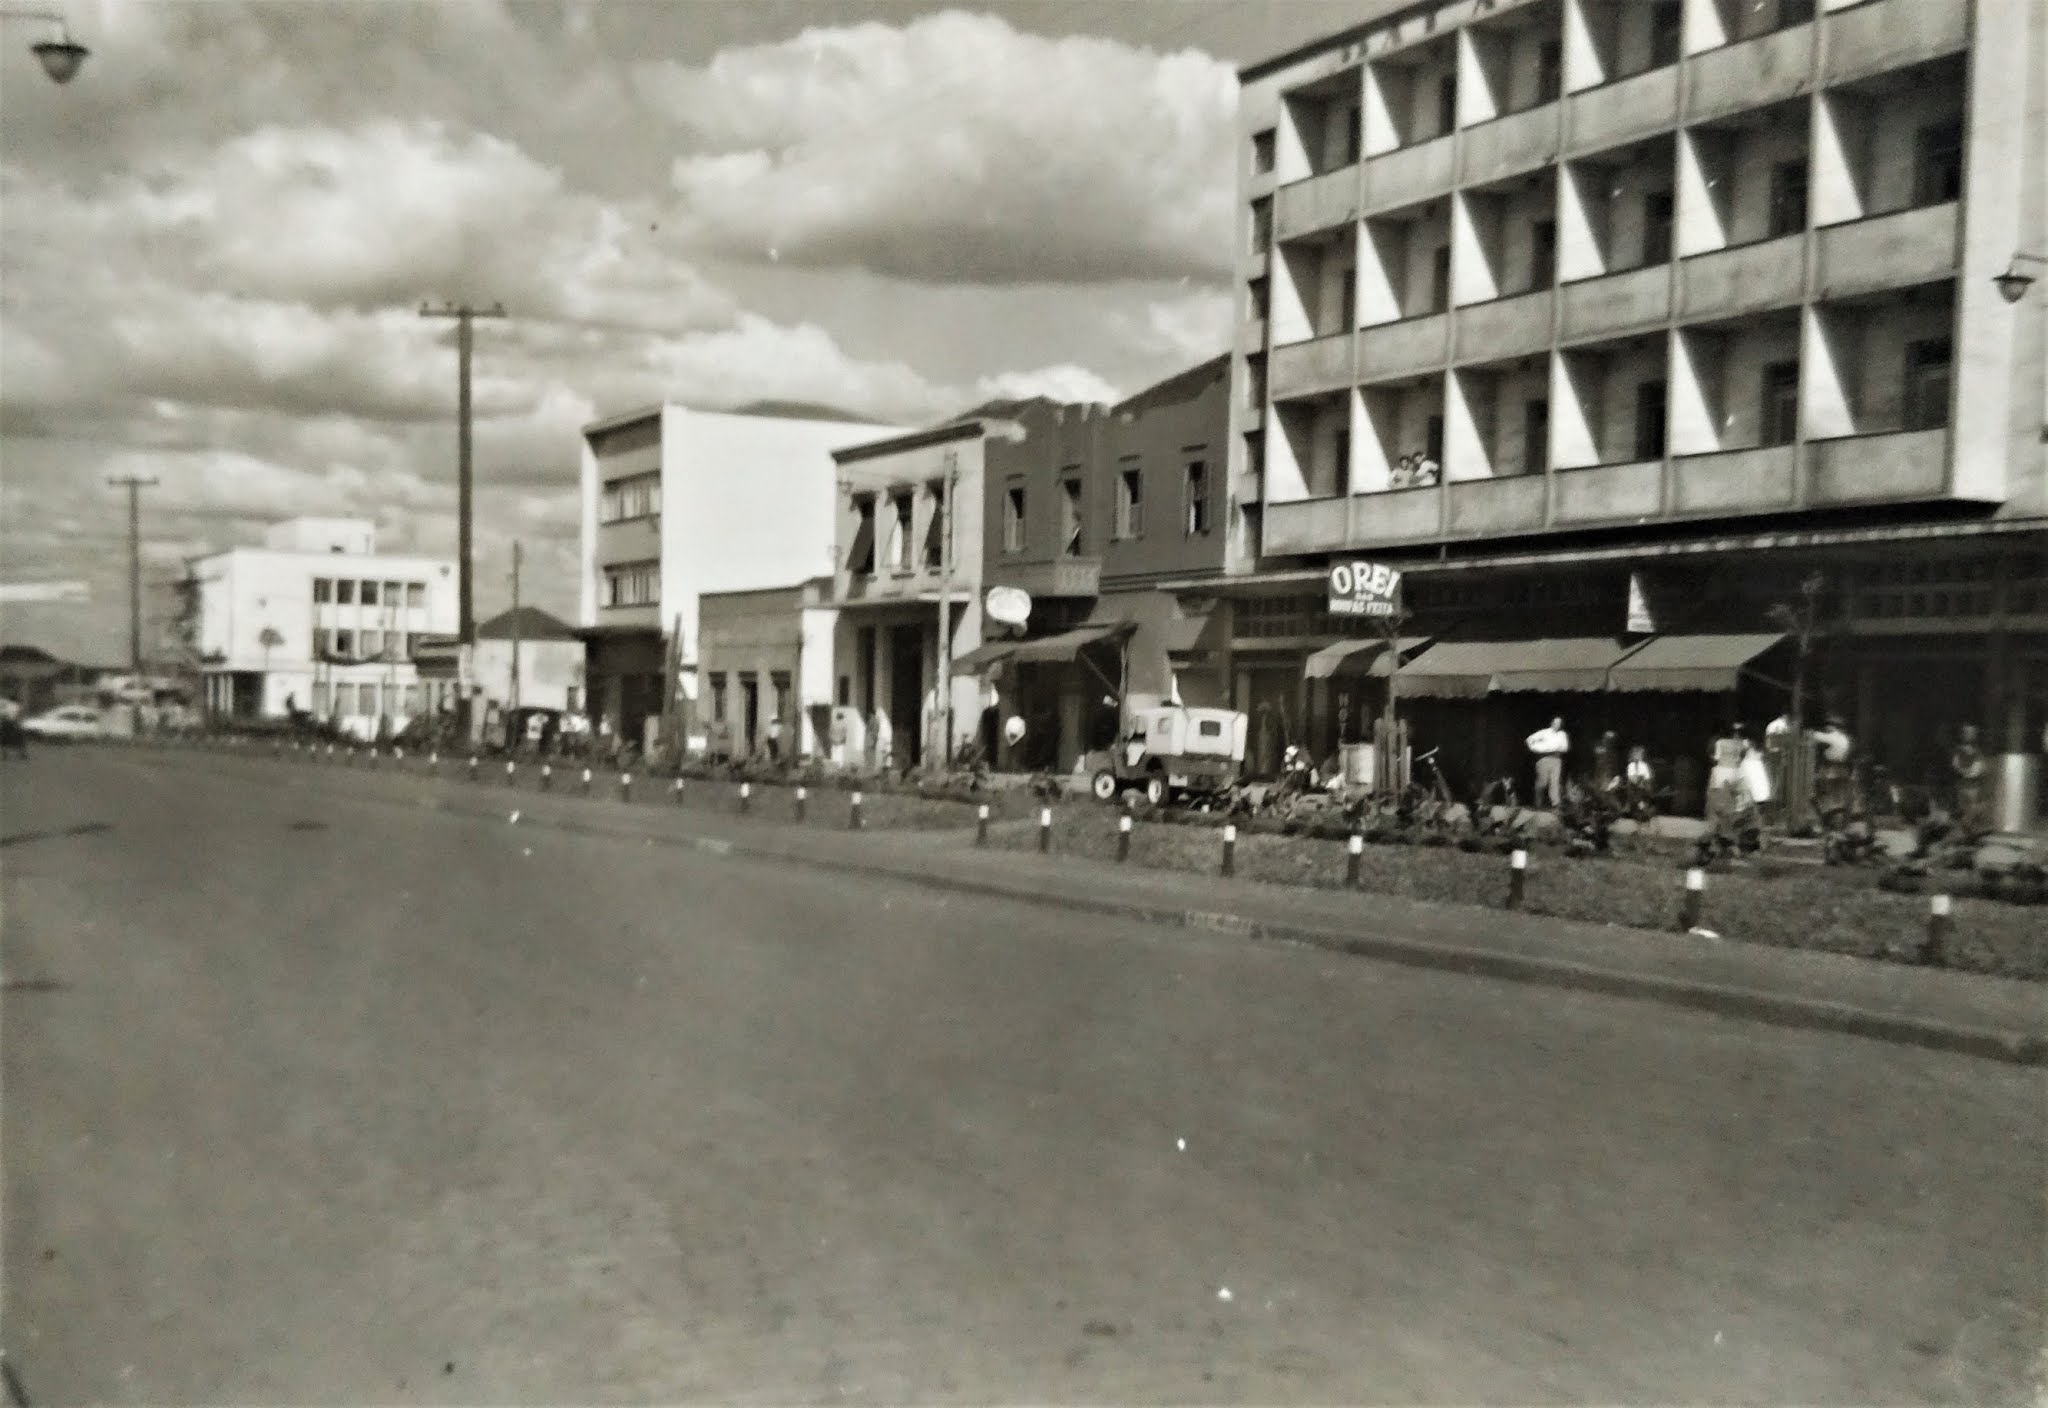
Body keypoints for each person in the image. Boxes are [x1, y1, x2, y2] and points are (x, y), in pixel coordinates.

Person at [1526, 717, 1570, 808]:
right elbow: (1529, 739)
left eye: (1559, 723)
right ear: (1552, 723)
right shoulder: (1544, 732)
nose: (1557, 725)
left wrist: (1552, 748)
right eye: (1556, 722)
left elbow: (1564, 747)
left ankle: (1556, 803)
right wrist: (1536, 748)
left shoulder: (1562, 734)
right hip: (1544, 759)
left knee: (1555, 782)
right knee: (1543, 782)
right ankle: (1538, 802)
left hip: (1556, 759)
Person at [1951, 724, 1988, 832]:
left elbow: (1981, 767)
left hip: (1975, 785)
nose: (1970, 735)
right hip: (1963, 784)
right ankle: (1965, 828)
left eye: (1972, 733)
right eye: (1967, 732)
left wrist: (1971, 771)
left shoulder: (1977, 751)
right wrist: (1967, 771)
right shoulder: (1958, 751)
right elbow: (1956, 765)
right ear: (1963, 734)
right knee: (1964, 808)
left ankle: (1968, 827)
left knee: (1975, 807)